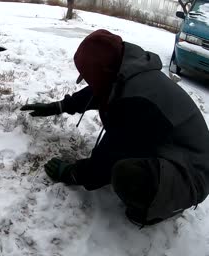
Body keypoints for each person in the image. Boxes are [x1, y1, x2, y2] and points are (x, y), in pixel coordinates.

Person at [20, 29, 209, 226]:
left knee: (126, 174)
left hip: (192, 175)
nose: (90, 82)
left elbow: (105, 163)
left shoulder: (137, 102)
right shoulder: (127, 73)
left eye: (91, 76)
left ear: (103, 71)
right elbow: (100, 90)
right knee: (129, 149)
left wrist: (71, 173)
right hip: (175, 150)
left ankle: (155, 209)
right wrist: (59, 106)